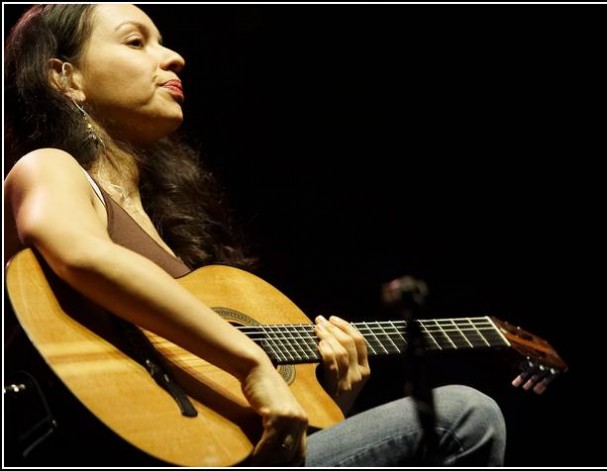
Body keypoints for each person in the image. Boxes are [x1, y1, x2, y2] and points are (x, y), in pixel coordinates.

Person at [4, 4, 508, 466]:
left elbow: (225, 425)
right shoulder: (50, 168)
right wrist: (252, 365)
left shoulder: (166, 228)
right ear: (65, 77)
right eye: (137, 42)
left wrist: (330, 397)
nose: (174, 57)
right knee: (462, 414)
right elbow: (81, 252)